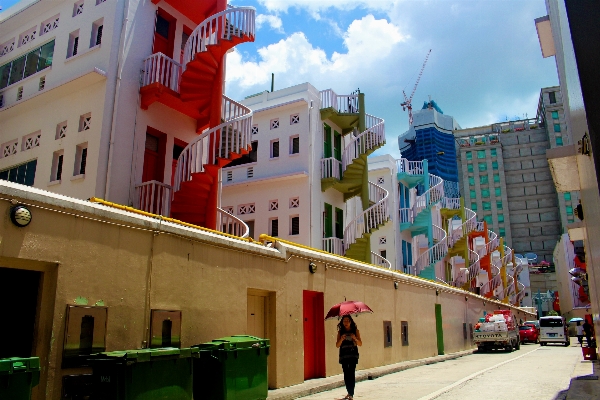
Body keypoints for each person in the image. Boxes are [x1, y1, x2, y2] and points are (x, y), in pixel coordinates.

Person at [336, 315, 362, 400]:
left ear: (351, 322)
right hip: (344, 355)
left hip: (353, 355)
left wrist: (355, 338)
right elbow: (337, 345)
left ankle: (351, 394)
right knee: (346, 374)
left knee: (351, 373)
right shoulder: (340, 332)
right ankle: (349, 392)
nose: (346, 322)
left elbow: (360, 344)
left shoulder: (355, 331)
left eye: (347, 320)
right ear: (342, 322)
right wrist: (341, 339)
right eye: (344, 321)